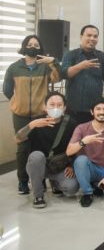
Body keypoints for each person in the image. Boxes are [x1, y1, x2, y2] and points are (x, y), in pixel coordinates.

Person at [3, 34, 61, 195]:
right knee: (22, 148)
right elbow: (7, 89)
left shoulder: (44, 67)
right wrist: (18, 102)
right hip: (20, 115)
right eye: (30, 44)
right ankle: (22, 181)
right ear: (24, 46)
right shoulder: (14, 67)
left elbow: (57, 77)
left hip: (40, 114)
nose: (33, 47)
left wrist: (53, 62)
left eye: (36, 45)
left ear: (40, 48)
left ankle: (40, 179)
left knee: (40, 147)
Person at [15, 92, 79, 208]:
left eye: (59, 105)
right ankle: (38, 196)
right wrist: (32, 125)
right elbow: (18, 139)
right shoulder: (36, 122)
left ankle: (55, 183)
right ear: (45, 107)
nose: (55, 108)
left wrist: (72, 165)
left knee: (72, 187)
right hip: (38, 165)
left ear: (64, 108)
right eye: (52, 104)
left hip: (59, 166)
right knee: (36, 156)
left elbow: (76, 147)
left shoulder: (71, 123)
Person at [67, 98, 104, 207]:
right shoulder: (81, 128)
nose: (101, 112)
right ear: (92, 112)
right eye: (98, 109)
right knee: (80, 160)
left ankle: (96, 184)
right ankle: (87, 193)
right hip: (87, 168)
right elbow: (69, 151)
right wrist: (84, 141)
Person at [61, 25, 104, 124]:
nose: (92, 39)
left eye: (95, 36)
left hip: (94, 110)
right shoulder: (70, 55)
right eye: (89, 35)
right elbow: (64, 74)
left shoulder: (103, 57)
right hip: (72, 109)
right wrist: (81, 66)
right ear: (81, 36)